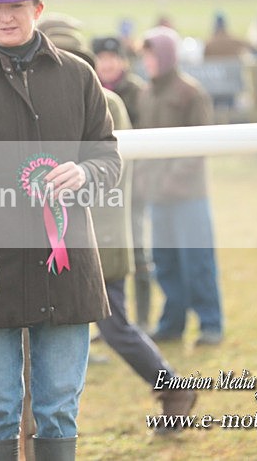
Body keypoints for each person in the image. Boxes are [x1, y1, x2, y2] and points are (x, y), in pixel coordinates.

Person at [0, 0, 121, 461]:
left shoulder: (81, 76)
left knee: (59, 409)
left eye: (16, 4)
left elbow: (108, 159)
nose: (5, 16)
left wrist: (84, 173)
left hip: (68, 268)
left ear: (37, 8)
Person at [42, 23, 198, 432]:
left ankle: (173, 386)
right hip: (69, 232)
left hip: (96, 233)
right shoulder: (95, 98)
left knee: (116, 329)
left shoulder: (99, 101)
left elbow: (106, 172)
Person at [137, 26, 223, 346]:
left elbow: (199, 144)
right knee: (165, 262)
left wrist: (172, 179)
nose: (147, 61)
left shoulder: (191, 92)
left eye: (151, 54)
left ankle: (210, 323)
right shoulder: (146, 95)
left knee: (197, 260)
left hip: (188, 196)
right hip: (158, 197)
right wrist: (146, 180)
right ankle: (172, 323)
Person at [90, 35, 152, 330]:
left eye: (113, 57)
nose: (108, 63)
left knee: (138, 251)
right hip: (102, 187)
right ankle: (109, 321)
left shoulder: (137, 92)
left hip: (134, 184)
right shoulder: (89, 93)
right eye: (102, 57)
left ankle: (140, 320)